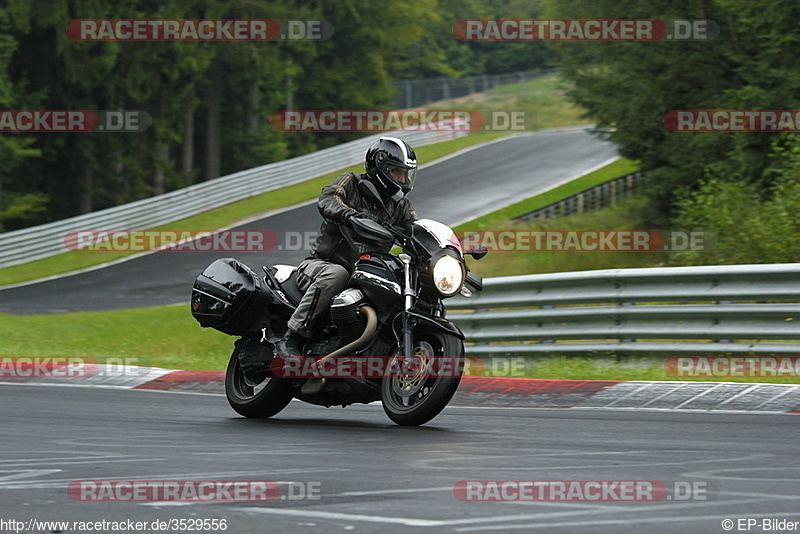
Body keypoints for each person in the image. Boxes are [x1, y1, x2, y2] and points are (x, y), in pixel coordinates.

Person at [276, 136, 420, 358]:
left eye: (405, 174)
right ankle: (291, 337)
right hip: (322, 265)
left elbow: (415, 229)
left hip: (365, 271)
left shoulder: (400, 206)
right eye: (396, 172)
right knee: (337, 274)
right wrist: (349, 216)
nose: (402, 179)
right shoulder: (350, 183)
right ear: (380, 168)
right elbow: (328, 199)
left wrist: (446, 249)